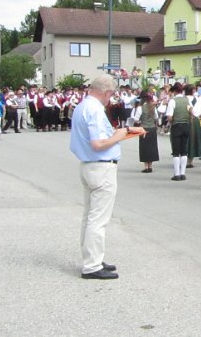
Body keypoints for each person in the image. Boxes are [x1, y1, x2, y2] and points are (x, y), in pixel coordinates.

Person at [70, 74, 146, 280]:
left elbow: (101, 137)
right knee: (98, 218)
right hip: (100, 166)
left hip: (89, 165)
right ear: (106, 92)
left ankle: (92, 257)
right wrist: (120, 135)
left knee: (89, 216)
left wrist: (125, 131)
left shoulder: (82, 106)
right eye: (110, 95)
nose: (110, 99)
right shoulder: (95, 109)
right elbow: (98, 143)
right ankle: (92, 265)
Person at [165, 83, 191, 181]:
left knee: (176, 151)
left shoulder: (173, 101)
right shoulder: (186, 100)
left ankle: (177, 174)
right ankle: (183, 173)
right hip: (186, 125)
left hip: (176, 126)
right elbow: (191, 112)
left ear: (175, 91)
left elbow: (169, 117)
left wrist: (171, 122)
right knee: (184, 150)